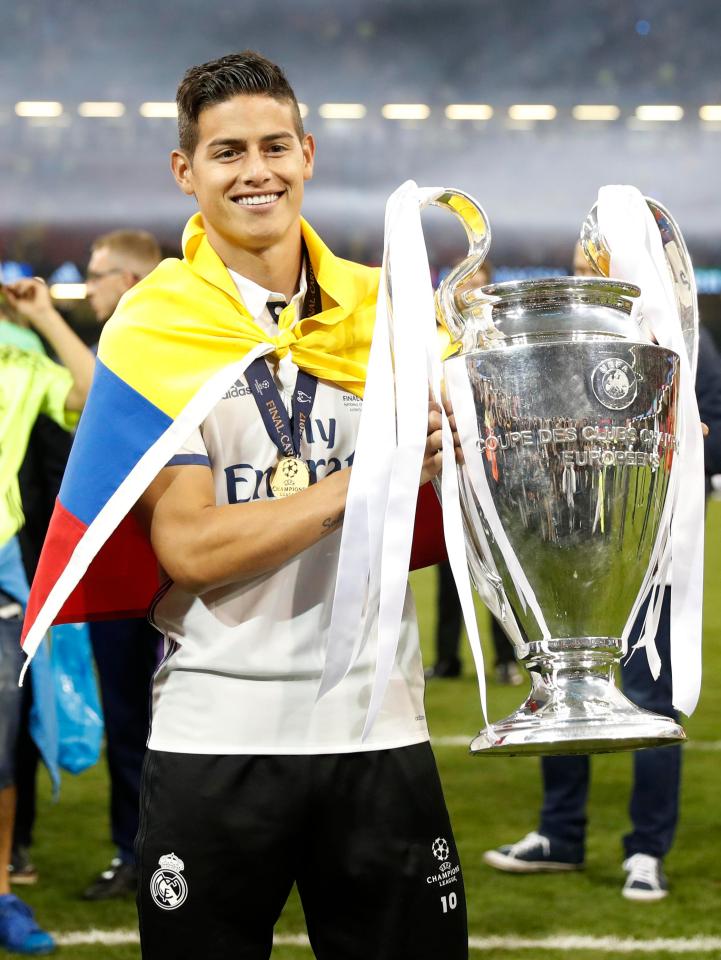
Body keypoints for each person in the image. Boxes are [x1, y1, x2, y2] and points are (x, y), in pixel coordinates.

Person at [16, 52, 466, 958]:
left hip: (380, 728)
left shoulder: (389, 313)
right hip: (216, 736)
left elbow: (483, 480)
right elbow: (190, 546)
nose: (254, 171)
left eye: (272, 147)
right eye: (226, 152)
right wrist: (364, 477)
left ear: (306, 154)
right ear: (186, 172)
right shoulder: (154, 326)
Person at [482, 245, 721, 902]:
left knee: (649, 697)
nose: (597, 278)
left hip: (648, 551)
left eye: (607, 265)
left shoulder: (675, 339)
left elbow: (717, 424)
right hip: (564, 541)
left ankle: (645, 850)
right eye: (589, 268)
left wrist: (691, 438)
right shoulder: (558, 334)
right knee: (558, 683)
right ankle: (559, 834)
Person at [0, 279, 93, 953]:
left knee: (1, 754)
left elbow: (94, 398)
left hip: (0, 574)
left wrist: (42, 318)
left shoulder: (22, 358)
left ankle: (1, 892)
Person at [80, 230, 164, 901]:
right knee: (127, 716)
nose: (88, 286)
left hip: (171, 563)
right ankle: (131, 851)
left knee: (170, 717)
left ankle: (172, 851)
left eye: (97, 274)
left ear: (130, 283)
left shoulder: (165, 350)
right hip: (117, 563)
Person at [425, 259, 520, 685]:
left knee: (500, 574)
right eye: (462, 286)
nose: (468, 294)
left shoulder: (502, 343)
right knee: (448, 576)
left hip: (497, 476)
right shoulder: (432, 340)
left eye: (477, 285)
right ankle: (447, 660)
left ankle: (506, 660)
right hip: (451, 472)